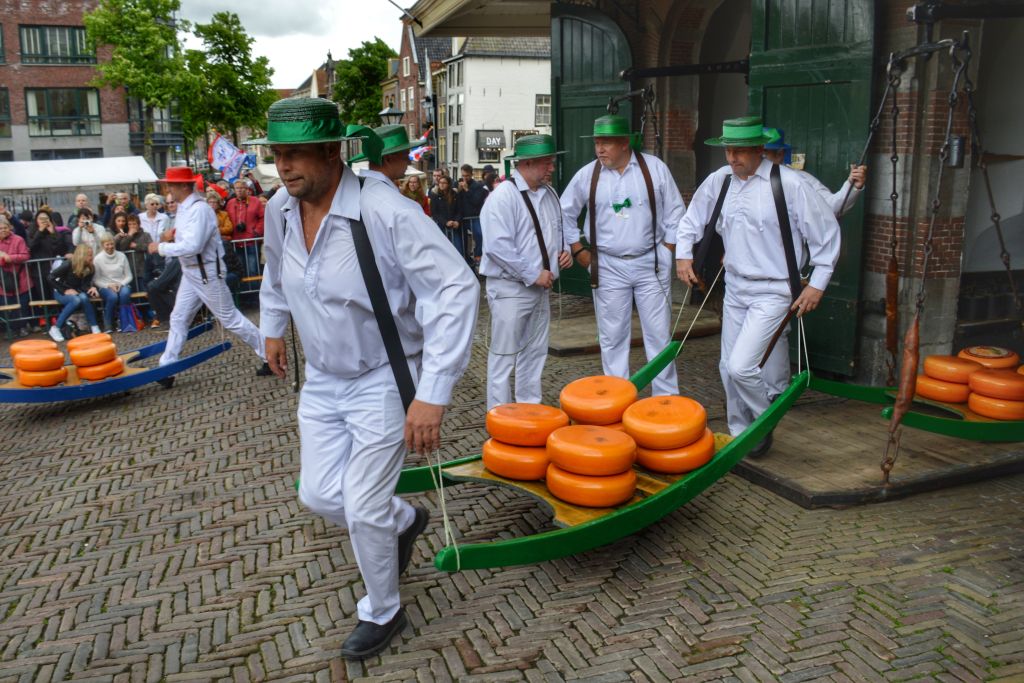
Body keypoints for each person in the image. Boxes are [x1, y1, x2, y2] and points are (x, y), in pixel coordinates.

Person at [254, 100, 478, 660]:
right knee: (319, 493)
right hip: (323, 380)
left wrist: (433, 393)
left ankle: (383, 608)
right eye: (278, 155)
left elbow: (455, 288)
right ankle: (405, 520)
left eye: (295, 154)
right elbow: (275, 269)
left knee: (360, 503)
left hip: (383, 374)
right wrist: (274, 327)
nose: (284, 167)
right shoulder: (281, 208)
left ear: (333, 153)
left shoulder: (385, 210)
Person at [675, 115, 841, 457]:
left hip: (776, 289)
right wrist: (683, 257)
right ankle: (741, 433)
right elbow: (692, 219)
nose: (732, 157)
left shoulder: (789, 184)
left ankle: (763, 421)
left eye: (740, 151)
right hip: (735, 287)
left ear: (760, 149)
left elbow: (826, 235)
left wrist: (818, 283)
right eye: (728, 150)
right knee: (725, 367)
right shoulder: (721, 180)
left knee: (741, 366)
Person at [560, 114, 688, 395]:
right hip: (607, 265)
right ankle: (618, 397)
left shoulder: (654, 169)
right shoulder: (587, 174)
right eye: (596, 143)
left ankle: (666, 398)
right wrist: (579, 250)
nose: (599, 149)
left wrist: (667, 250)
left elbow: (675, 212)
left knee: (659, 334)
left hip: (650, 262)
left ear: (624, 143)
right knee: (612, 336)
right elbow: (564, 212)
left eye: (606, 143)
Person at [760, 127, 868, 398]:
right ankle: (748, 388)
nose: (763, 158)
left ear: (779, 154)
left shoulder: (799, 180)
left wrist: (851, 186)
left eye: (770, 153)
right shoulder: (735, 181)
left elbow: (832, 208)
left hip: (781, 272)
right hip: (744, 274)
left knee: (775, 333)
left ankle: (774, 393)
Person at [147, 166, 269, 387]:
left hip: (206, 273)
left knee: (231, 319)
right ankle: (167, 366)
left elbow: (194, 245)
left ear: (184, 185)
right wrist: (173, 236)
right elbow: (190, 238)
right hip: (192, 272)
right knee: (178, 317)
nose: (168, 188)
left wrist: (162, 247)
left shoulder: (199, 209)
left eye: (171, 184)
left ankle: (270, 354)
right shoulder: (185, 208)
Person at [480, 134, 572, 409]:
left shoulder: (549, 193)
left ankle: (529, 409)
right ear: (528, 163)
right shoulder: (502, 197)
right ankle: (499, 416)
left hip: (540, 288)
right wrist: (533, 273)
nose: (552, 168)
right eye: (548, 162)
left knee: (534, 352)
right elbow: (498, 247)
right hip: (510, 289)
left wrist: (564, 250)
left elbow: (558, 228)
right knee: (504, 356)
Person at [47, 244, 102, 342]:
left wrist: (92, 288)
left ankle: (94, 325)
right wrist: (64, 290)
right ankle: (56, 328)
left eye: (91, 255)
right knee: (76, 300)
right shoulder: (68, 264)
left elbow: (84, 286)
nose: (91, 257)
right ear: (82, 255)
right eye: (89, 255)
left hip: (76, 291)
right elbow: (50, 277)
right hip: (60, 291)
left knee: (84, 297)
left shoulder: (90, 268)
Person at [27, 209, 73, 301]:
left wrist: (53, 233)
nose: (44, 221)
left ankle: (56, 314)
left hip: (54, 270)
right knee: (43, 296)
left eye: (46, 218)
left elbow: (60, 249)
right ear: (36, 220)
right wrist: (40, 231)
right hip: (38, 270)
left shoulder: (54, 233)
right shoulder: (31, 233)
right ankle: (45, 314)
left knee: (55, 295)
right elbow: (30, 246)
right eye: (41, 219)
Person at [93, 236, 134, 332]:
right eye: (107, 244)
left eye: (112, 244)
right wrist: (109, 285)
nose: (110, 246)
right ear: (103, 246)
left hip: (121, 283)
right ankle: (108, 323)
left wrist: (121, 284)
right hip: (105, 285)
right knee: (113, 297)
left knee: (124, 294)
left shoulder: (121, 256)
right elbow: (96, 279)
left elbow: (129, 275)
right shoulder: (98, 259)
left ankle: (124, 322)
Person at [225, 178, 264, 279]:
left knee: (253, 269)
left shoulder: (255, 201)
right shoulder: (230, 203)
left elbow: (263, 217)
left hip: (251, 241)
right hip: (236, 241)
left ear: (247, 189)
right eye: (237, 188)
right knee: (240, 269)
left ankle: (255, 291)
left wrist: (257, 232)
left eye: (242, 188)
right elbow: (226, 219)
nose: (239, 190)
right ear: (234, 189)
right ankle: (242, 292)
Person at [0, 215, 32, 336]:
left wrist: (9, 258)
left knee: (23, 305)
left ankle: (23, 327)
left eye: (5, 227)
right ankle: (11, 329)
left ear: (10, 227)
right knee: (7, 305)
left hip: (20, 277)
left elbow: (25, 256)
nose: (3, 230)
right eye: (0, 228)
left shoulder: (18, 239)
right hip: (3, 280)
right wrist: (3, 259)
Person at [459, 164, 488, 268]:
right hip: (462, 217)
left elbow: (476, 201)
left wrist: (467, 190)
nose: (465, 178)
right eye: (463, 175)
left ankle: (477, 256)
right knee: (463, 240)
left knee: (479, 235)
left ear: (471, 174)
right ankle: (466, 259)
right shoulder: (458, 184)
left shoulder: (477, 186)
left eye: (467, 175)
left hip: (474, 216)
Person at [143, 247, 180, 329]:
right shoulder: (153, 256)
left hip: (177, 286)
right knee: (152, 289)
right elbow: (147, 274)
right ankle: (165, 319)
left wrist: (155, 283)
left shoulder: (177, 258)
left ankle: (173, 319)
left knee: (153, 287)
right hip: (164, 284)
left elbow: (163, 280)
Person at [429, 175, 464, 256]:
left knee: (458, 249)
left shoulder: (455, 195)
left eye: (444, 183)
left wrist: (457, 221)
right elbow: (435, 213)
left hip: (454, 226)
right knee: (443, 250)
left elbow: (459, 210)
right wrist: (445, 222)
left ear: (448, 184)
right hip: (442, 226)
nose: (441, 184)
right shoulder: (435, 196)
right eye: (440, 183)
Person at [116, 213, 151, 290]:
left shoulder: (146, 235)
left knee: (144, 290)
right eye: (130, 224)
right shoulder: (125, 236)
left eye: (134, 224)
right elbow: (122, 247)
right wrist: (129, 235)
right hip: (130, 270)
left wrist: (136, 246)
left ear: (139, 224)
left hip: (143, 269)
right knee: (133, 292)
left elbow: (150, 247)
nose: (132, 226)